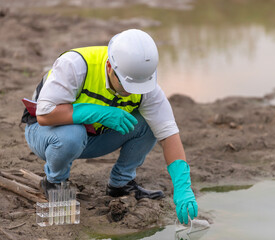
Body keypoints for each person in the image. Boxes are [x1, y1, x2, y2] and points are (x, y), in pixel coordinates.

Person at [21, 29, 198, 224]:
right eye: (126, 85)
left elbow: (168, 134)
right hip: (47, 134)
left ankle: (121, 184)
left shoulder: (144, 82)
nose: (130, 92)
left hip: (94, 137)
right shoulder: (75, 65)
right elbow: (45, 115)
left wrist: (183, 186)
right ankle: (56, 181)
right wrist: (98, 113)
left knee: (148, 122)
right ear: (109, 67)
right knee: (72, 134)